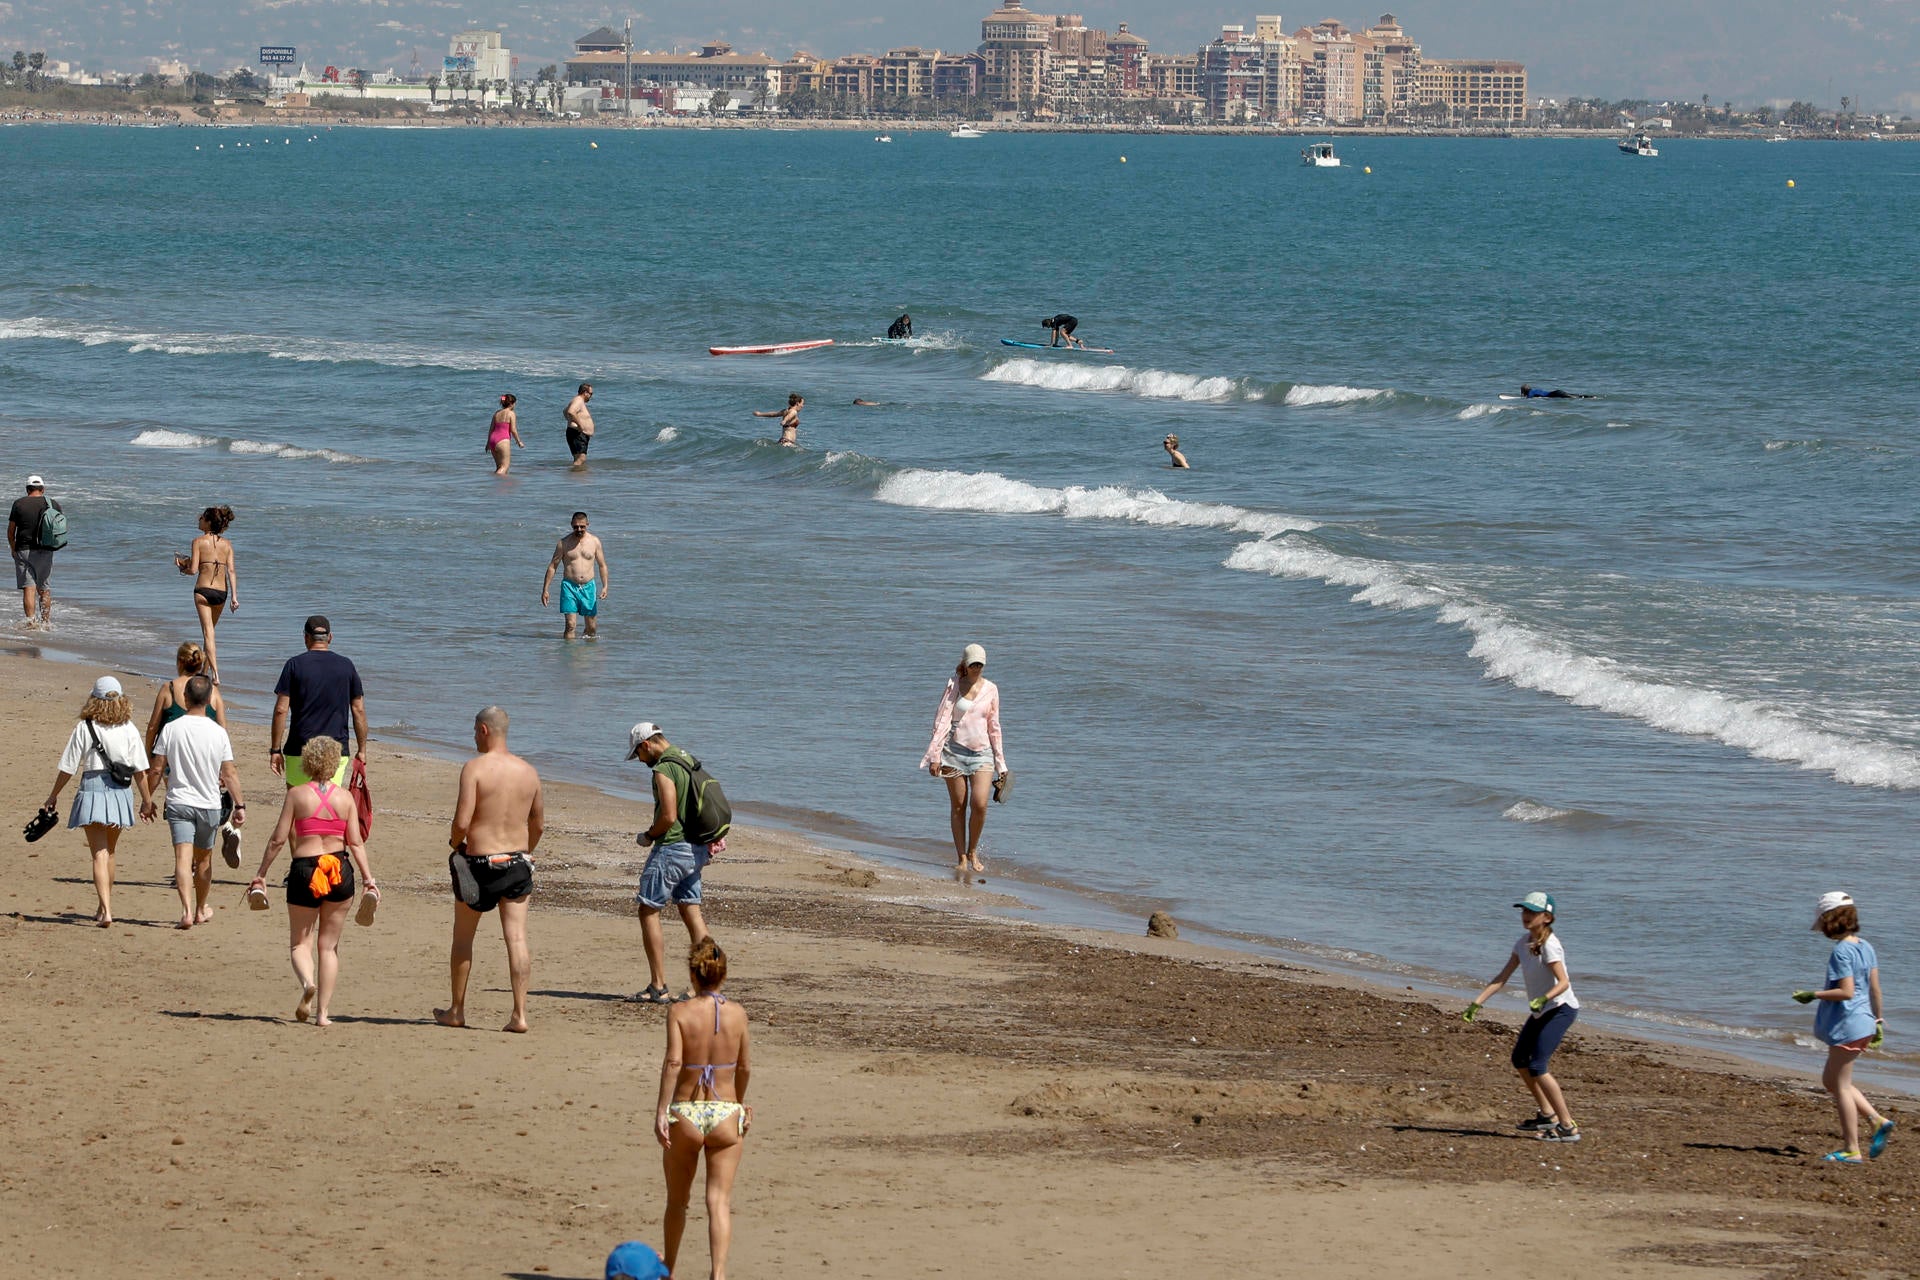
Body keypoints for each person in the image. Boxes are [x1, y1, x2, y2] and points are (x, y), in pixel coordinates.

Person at [249, 734, 376, 1026]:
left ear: (307, 762)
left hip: (305, 870)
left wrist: (261, 874)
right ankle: (323, 1015)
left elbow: (279, 839)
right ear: (334, 764)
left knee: (299, 944)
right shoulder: (344, 798)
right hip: (339, 868)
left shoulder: (297, 795)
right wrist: (369, 879)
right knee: (328, 947)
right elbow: (356, 843)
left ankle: (308, 983)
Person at [437, 706, 542, 1033]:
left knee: (464, 937)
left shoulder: (474, 769)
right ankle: (520, 1015)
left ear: (484, 730)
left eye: (473, 731)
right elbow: (538, 823)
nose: (473, 737)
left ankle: (457, 1009)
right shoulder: (529, 772)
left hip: (478, 864)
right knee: (517, 938)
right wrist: (526, 851)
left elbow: (462, 822)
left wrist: (456, 844)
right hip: (516, 863)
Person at [655, 937, 751, 1280]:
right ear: (722, 975)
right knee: (719, 1202)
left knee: (677, 1202)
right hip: (725, 1112)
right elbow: (743, 1068)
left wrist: (661, 1111)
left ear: (694, 975)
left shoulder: (680, 1012)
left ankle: (668, 1270)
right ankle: (718, 1273)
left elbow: (673, 1062)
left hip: (687, 1113)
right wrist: (738, 1105)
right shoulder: (737, 1014)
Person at [1463, 891, 1582, 1143]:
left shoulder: (1550, 945)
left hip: (1560, 1009)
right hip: (1542, 1010)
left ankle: (1567, 1126)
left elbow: (1563, 983)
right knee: (1519, 1059)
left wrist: (1543, 998)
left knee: (1538, 1066)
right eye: (1524, 911)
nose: (1526, 916)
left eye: (1532, 912)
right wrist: (1477, 1003)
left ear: (1547, 917)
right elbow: (1502, 977)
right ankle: (1547, 1115)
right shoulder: (1522, 943)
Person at [37, 676, 153, 927]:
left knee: (99, 853)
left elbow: (68, 766)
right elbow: (140, 770)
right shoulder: (129, 728)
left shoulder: (84, 727)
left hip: (92, 788)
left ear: (95, 699)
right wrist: (147, 800)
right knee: (110, 853)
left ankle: (106, 910)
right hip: (120, 792)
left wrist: (53, 794)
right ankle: (104, 907)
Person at [1794, 892, 1893, 1164]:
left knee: (1841, 1086)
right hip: (1864, 1022)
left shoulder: (1841, 952)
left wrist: (1813, 994)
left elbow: (1847, 992)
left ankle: (1852, 1149)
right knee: (1832, 1082)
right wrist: (1879, 1020)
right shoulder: (1866, 946)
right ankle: (1876, 1120)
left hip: (1849, 1024)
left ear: (1830, 921)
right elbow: (1875, 989)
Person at [144, 674, 244, 930]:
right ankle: (200, 909)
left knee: (182, 858)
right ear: (210, 699)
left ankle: (187, 911)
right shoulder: (218, 733)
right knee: (204, 861)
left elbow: (157, 769)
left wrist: (148, 799)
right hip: (209, 804)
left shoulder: (171, 728)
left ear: (186, 698)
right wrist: (239, 805)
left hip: (179, 802)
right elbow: (229, 773)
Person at [628, 722, 716, 1004]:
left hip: (673, 847)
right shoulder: (686, 757)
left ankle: (658, 986)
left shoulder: (663, 768)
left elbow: (668, 815)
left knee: (648, 910)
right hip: (696, 848)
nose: (640, 761)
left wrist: (648, 836)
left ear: (646, 745)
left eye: (638, 755)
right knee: (691, 911)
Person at [146, 641, 240, 868]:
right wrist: (221, 767)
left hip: (172, 759)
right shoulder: (212, 692)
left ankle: (187, 862)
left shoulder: (168, 688)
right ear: (199, 664)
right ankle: (206, 852)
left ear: (179, 662)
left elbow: (153, 726)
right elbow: (222, 730)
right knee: (204, 802)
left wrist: (149, 755)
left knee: (182, 806)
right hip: (207, 758)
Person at [918, 644, 1008, 874]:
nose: (976, 668)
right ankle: (961, 858)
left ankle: (973, 851)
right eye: (973, 664)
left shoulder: (991, 689)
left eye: (980, 664)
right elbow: (941, 721)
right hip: (953, 753)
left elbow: (994, 727)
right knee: (958, 806)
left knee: (979, 804)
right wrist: (934, 756)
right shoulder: (954, 686)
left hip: (982, 754)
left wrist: (1001, 764)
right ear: (965, 665)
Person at [270, 615, 366, 788]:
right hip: (336, 749)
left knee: (300, 807)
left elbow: (281, 710)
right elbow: (358, 709)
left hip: (300, 748)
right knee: (327, 806)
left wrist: (275, 749)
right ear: (330, 637)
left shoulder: (294, 665)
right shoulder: (346, 666)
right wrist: (362, 750)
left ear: (306, 637)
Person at [174, 505, 238, 684]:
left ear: (209, 522)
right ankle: (204, 672)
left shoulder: (198, 541)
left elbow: (193, 570)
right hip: (222, 593)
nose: (199, 520)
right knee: (210, 633)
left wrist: (181, 567)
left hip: (203, 591)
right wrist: (234, 597)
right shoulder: (227, 545)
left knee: (208, 633)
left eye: (202, 518)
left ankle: (216, 675)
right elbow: (231, 571)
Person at [540, 511, 610, 640]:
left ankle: (587, 654)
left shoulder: (594, 542)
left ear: (587, 524)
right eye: (576, 526)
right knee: (570, 625)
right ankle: (569, 656)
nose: (579, 529)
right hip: (569, 587)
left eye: (582, 526)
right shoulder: (564, 543)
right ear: (571, 525)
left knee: (591, 628)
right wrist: (545, 590)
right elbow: (552, 566)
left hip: (588, 587)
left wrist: (605, 586)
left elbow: (602, 565)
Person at [8, 474, 62, 629]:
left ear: (27, 489)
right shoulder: (53, 504)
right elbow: (59, 529)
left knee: (29, 588)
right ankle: (46, 623)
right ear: (43, 489)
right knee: (44, 588)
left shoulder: (19, 504)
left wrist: (13, 548)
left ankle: (31, 621)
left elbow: (11, 531)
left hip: (24, 550)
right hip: (46, 550)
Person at [487, 393, 525, 475]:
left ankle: (496, 485)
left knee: (499, 467)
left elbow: (491, 429)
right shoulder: (511, 413)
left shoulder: (496, 413)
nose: (515, 406)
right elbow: (513, 430)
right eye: (515, 403)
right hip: (502, 441)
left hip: (493, 440)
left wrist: (488, 444)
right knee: (504, 467)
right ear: (511, 403)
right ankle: (498, 484)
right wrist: (519, 442)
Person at [564, 383, 596, 469]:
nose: (591, 396)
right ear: (585, 392)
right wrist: (580, 425)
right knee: (581, 458)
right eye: (590, 393)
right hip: (578, 433)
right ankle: (573, 475)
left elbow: (565, 411)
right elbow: (570, 411)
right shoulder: (578, 400)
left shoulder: (577, 401)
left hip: (576, 432)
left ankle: (576, 478)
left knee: (578, 458)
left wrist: (571, 421)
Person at [1519, 384, 1595, 399]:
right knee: (1577, 396)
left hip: (1555, 394)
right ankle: (1591, 397)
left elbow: (1529, 398)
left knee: (1575, 398)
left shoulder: (1530, 392)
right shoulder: (1535, 390)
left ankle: (1591, 397)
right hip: (1556, 392)